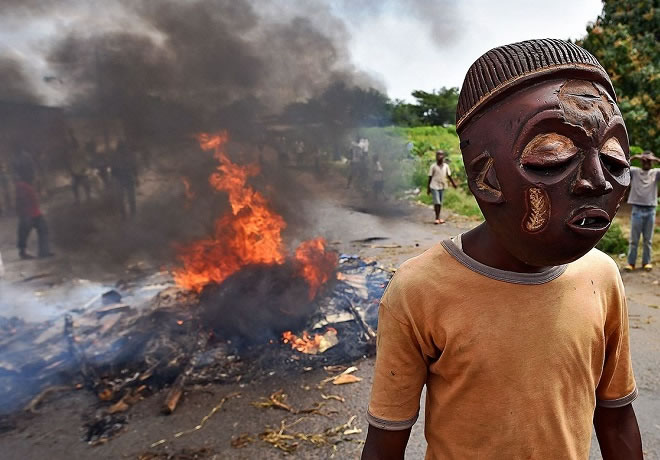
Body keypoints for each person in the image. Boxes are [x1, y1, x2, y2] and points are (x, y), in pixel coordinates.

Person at [362, 39, 641, 460]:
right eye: (552, 157)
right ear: (485, 178)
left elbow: (616, 418)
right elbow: (385, 442)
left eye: (614, 159)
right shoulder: (418, 288)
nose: (598, 180)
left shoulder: (601, 277)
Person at [624, 150, 659, 272]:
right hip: (637, 209)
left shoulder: (656, 173)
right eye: (645, 160)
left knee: (648, 240)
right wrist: (635, 157)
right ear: (641, 161)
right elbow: (623, 166)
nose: (647, 162)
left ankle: (646, 262)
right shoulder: (635, 171)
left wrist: (655, 159)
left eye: (649, 161)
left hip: (650, 210)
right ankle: (631, 263)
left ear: (652, 162)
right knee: (634, 240)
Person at [15, 168, 52, 259]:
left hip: (34, 212)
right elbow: (22, 200)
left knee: (41, 230)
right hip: (28, 213)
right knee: (25, 232)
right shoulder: (22, 186)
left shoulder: (25, 185)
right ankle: (26, 252)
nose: (33, 176)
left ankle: (43, 252)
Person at [427, 150, 457, 224]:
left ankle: (439, 217)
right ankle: (437, 218)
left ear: (443, 156)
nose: (439, 156)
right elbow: (430, 177)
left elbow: (449, 176)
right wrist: (428, 188)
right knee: (437, 202)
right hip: (434, 186)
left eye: (441, 155)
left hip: (442, 186)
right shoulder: (433, 166)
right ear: (436, 156)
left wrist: (453, 184)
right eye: (438, 155)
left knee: (440, 203)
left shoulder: (446, 166)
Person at [110, 140, 138, 219]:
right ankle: (125, 215)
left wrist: (136, 177)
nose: (122, 149)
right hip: (121, 178)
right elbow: (112, 169)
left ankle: (131, 214)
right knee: (122, 198)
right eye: (121, 147)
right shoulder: (116, 156)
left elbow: (134, 167)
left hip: (126, 178)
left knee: (129, 197)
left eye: (123, 147)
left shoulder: (128, 155)